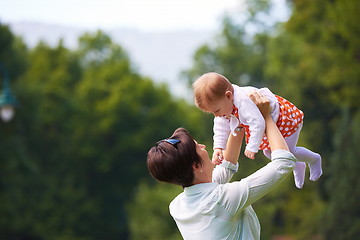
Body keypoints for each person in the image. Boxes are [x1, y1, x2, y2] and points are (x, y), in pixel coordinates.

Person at [147, 92, 297, 240]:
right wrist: (266, 117)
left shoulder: (178, 206)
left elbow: (227, 166)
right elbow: (283, 162)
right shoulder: (221, 200)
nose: (204, 147)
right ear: (196, 166)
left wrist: (238, 120)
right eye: (199, 147)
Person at [192, 72, 322, 189]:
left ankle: (314, 159)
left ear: (229, 96)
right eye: (212, 113)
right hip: (269, 126)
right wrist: (218, 148)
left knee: (287, 152)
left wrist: (252, 147)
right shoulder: (224, 105)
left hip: (283, 121)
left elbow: (258, 124)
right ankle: (298, 165)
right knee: (269, 153)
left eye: (216, 111)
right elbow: (220, 126)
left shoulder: (243, 102)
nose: (216, 115)